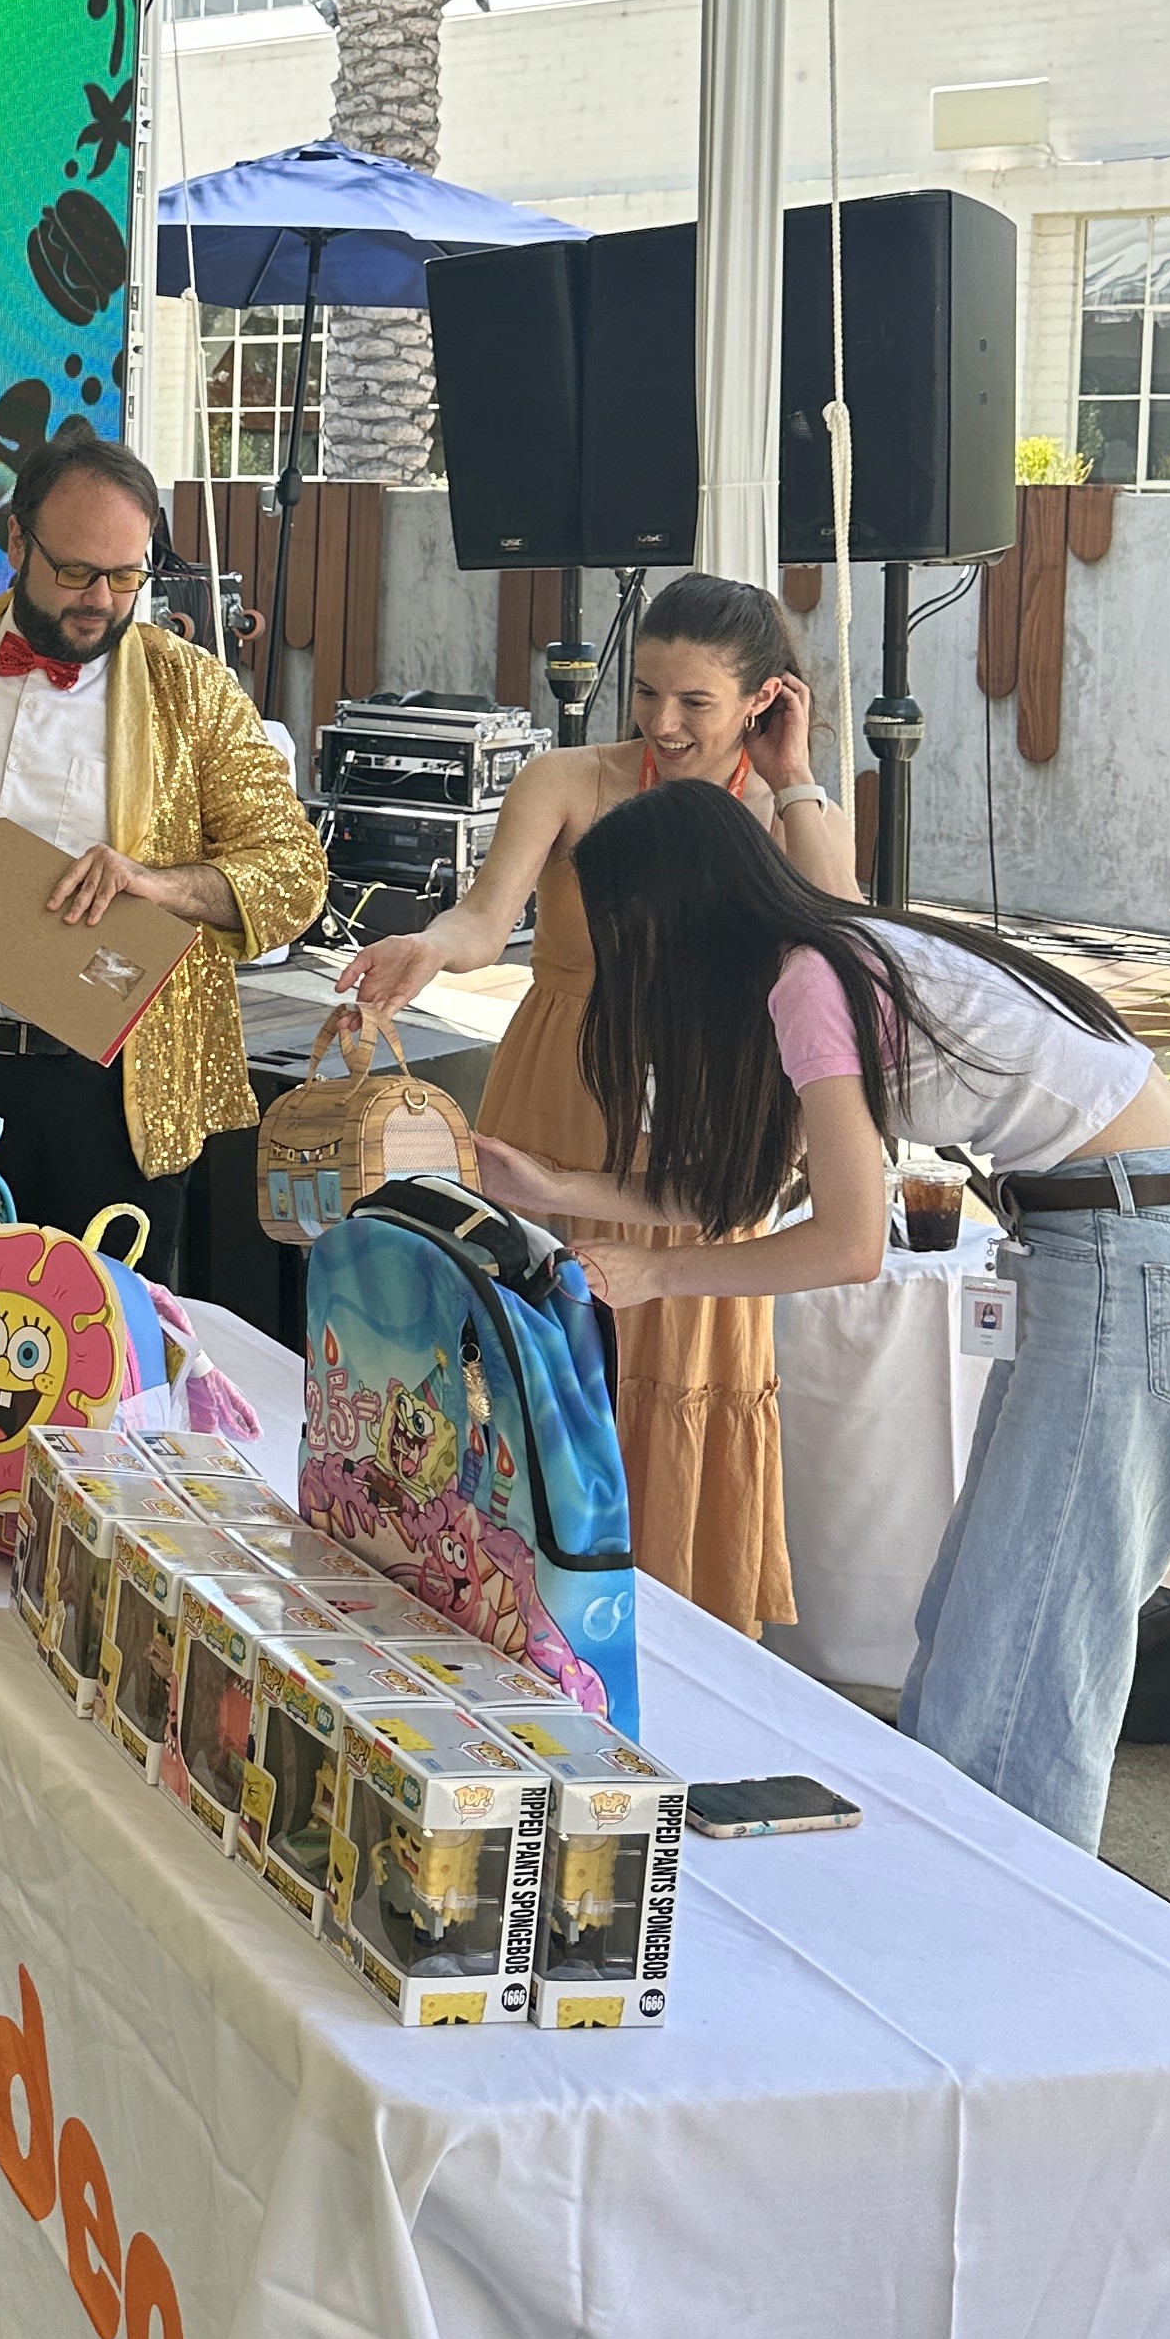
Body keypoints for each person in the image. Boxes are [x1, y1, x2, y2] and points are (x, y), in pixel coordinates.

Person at [479, 776, 1170, 1850]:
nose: (626, 962)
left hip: (1131, 1270)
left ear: (679, 909)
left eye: (627, 932)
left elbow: (848, 1243)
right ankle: (962, 1903)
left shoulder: (810, 981)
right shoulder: (819, 963)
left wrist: (659, 1279)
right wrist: (558, 1189)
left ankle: (1001, 1930)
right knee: (977, 1629)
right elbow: (735, 1194)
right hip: (1101, 1257)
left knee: (1018, 1656)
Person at [346, 574, 857, 1634]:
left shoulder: (789, 811)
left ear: (766, 699)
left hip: (708, 1110)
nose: (662, 725)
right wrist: (427, 950)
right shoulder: (568, 779)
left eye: (696, 703)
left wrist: (796, 777)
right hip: (560, 1093)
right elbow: (485, 921)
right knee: (529, 1351)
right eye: (647, 693)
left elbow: (852, 945)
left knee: (672, 1356)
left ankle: (663, 1634)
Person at [0, 433, 325, 1281]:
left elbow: (294, 875)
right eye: (76, 572)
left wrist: (158, 883)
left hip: (109, 1091)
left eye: (126, 576)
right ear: (15, 542)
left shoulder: (190, 689)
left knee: (96, 1368)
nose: (102, 601)